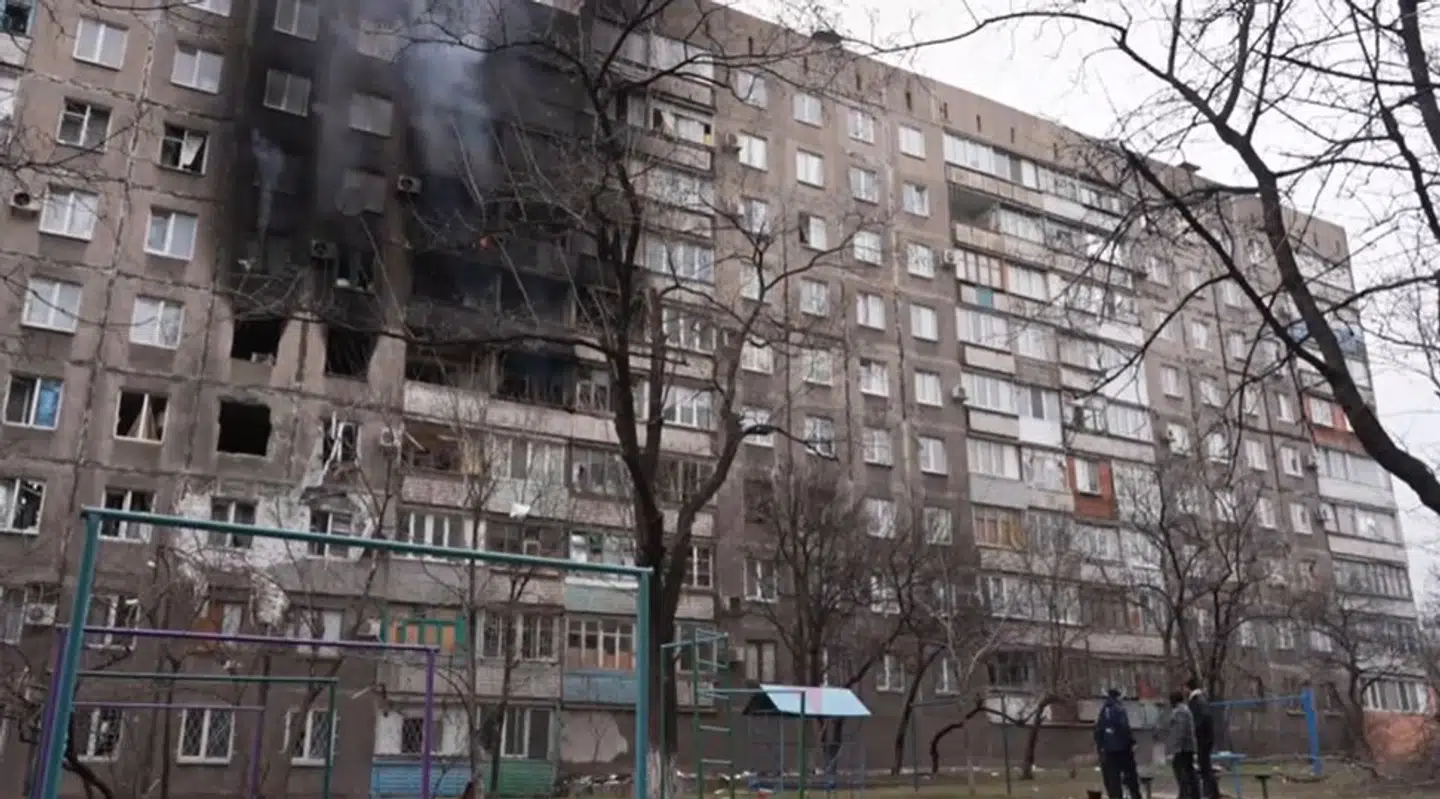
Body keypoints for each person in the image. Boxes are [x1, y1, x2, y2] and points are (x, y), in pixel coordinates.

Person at [1094, 688, 1143, 799]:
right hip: (1123, 749)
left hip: (1107, 751)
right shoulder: (1119, 709)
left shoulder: (1103, 710)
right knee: (1131, 777)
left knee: (1112, 780)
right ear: (1118, 697)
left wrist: (1101, 748)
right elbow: (1124, 728)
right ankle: (1135, 796)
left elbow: (1098, 731)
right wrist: (1132, 742)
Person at [1186, 677, 1219, 799]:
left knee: (1205, 767)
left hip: (1203, 739)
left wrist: (1195, 729)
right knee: (1205, 767)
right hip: (1206, 738)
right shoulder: (1201, 700)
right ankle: (1212, 792)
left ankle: (1211, 793)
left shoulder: (1197, 701)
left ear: (1188, 688)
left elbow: (1202, 718)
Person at [1166, 690, 1201, 799]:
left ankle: (1186, 794)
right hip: (1187, 747)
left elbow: (1180, 732)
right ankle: (1191, 794)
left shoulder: (1180, 711)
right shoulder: (1184, 710)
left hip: (1183, 748)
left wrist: (1175, 749)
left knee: (1181, 772)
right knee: (1188, 772)